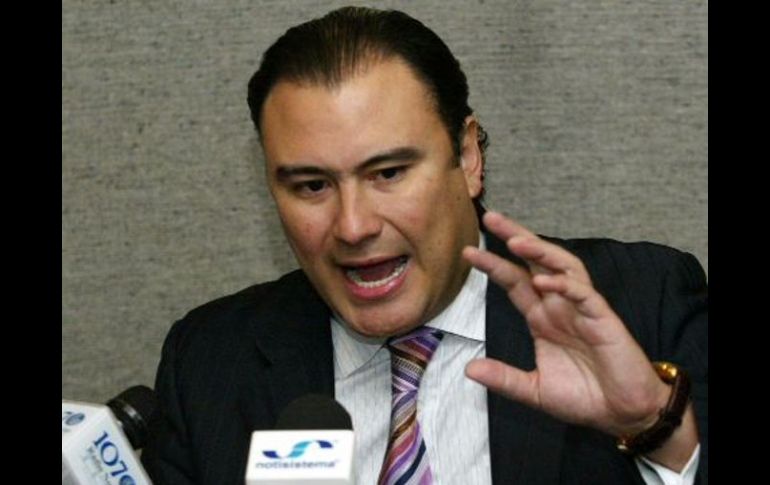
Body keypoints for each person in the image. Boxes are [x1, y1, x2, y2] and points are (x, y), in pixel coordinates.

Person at [141, 6, 707, 485]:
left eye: (388, 173)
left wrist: (656, 428)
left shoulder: (643, 303)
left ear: (468, 156)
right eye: (312, 186)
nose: (353, 226)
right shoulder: (211, 361)